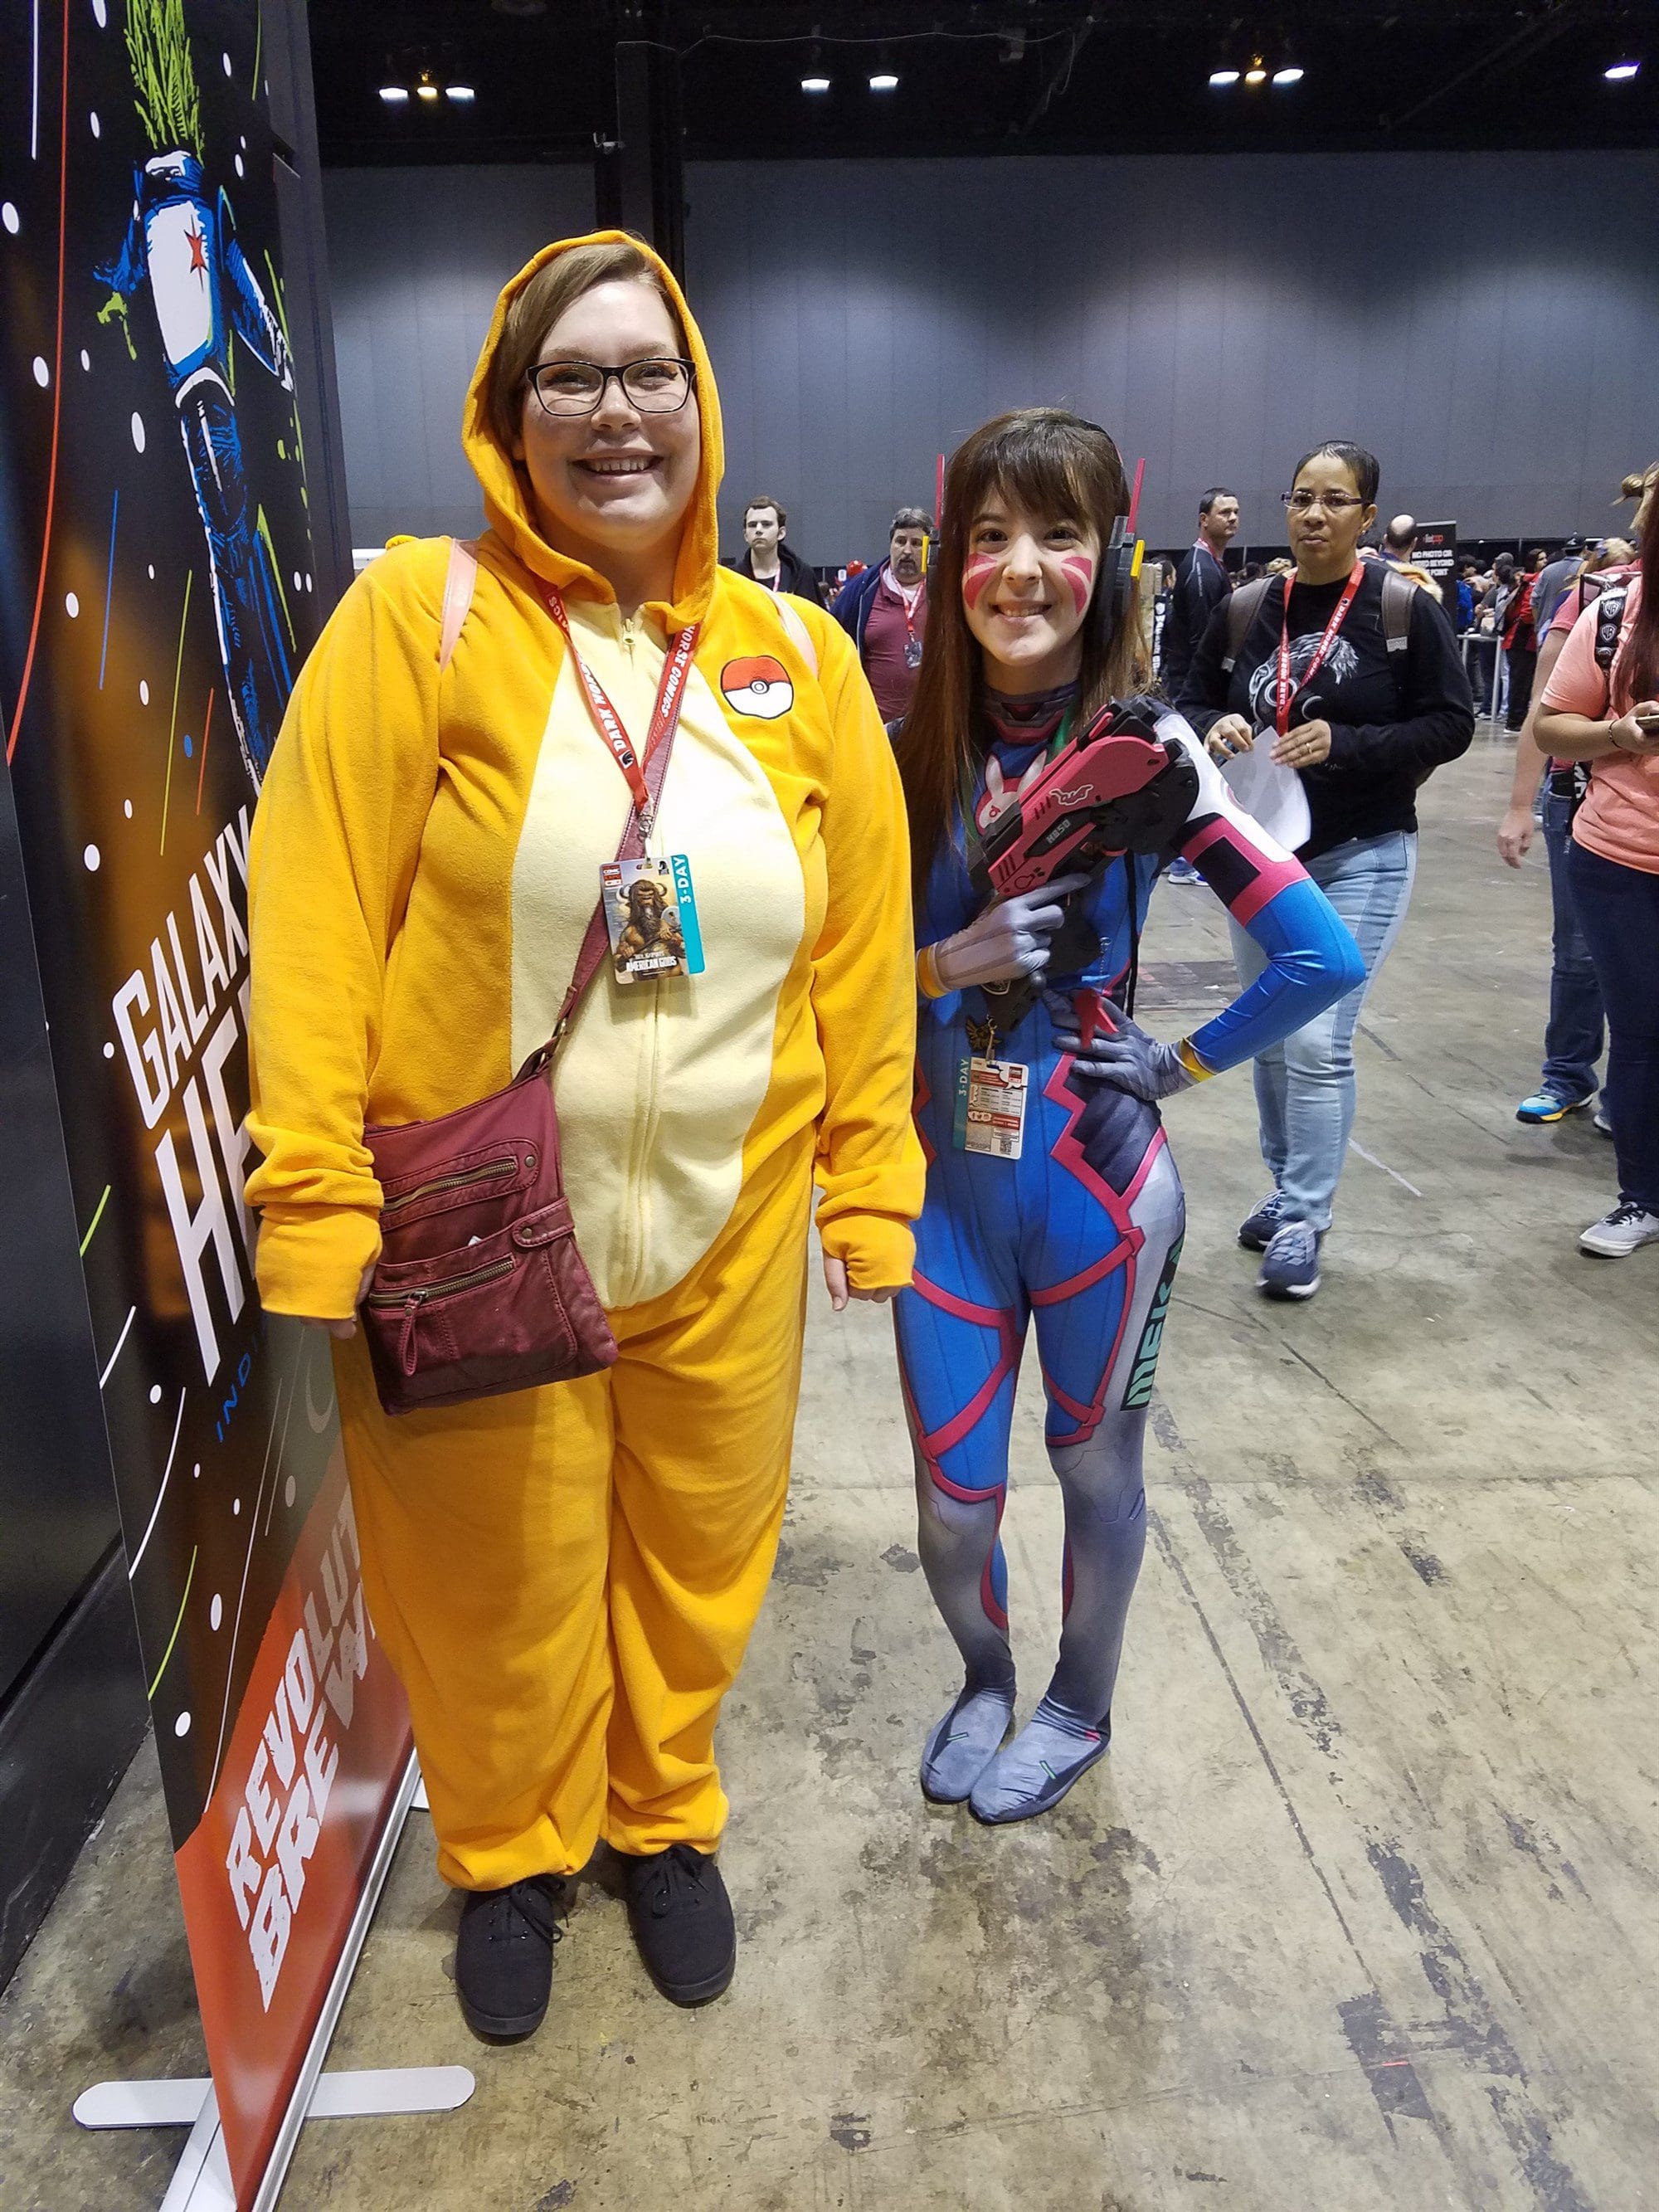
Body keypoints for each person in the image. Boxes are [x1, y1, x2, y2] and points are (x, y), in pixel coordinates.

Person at [246, 233, 924, 2037]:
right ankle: (508, 1851)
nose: (616, 414)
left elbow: (863, 945)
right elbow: (311, 921)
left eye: (649, 374)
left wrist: (871, 1176)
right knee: (494, 1576)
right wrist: (312, 1200)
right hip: (474, 1225)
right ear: (508, 412)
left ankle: (661, 1816)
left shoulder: (798, 658)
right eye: (571, 377)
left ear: (702, 402)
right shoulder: (421, 618)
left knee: (700, 1548)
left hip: (729, 1217)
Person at [892, 408, 1362, 1824]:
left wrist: (1177, 1065)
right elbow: (818, 976)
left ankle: (1077, 1704)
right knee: (949, 1502)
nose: (1021, 568)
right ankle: (986, 1678)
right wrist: (939, 966)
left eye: (1058, 533)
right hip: (938, 1187)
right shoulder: (903, 750)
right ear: (951, 559)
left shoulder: (1151, 751)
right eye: (989, 536)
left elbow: (1318, 955)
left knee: (1095, 1465)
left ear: (1111, 551)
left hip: (1099, 1184)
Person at [1176, 440, 1475, 1297]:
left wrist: (1346, 742)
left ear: (1366, 515)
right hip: (1258, 861)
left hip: (1362, 851)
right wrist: (1212, 726)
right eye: (1301, 498)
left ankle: (1305, 1216)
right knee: (1270, 1033)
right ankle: (1285, 1187)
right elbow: (1187, 697)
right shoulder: (1244, 608)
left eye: (1334, 501)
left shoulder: (1400, 606)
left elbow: (1451, 724)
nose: (1313, 514)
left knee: (1315, 1038)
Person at [1535, 485, 1659, 1259]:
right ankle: (1643, 1197)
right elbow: (1551, 726)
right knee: (1642, 1033)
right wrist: (1621, 732)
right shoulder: (1616, 614)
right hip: (1621, 859)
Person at [1497, 528, 1647, 1127]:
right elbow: (1546, 710)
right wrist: (1519, 805)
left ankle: (1630, 1099)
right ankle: (1568, 1075)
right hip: (1585, 801)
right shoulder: (1601, 603)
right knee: (1581, 955)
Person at [830, 507, 933, 723]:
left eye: (916, 543)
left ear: (928, 549)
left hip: (934, 727)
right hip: (876, 728)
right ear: (890, 545)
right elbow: (832, 645)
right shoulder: (861, 591)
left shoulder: (946, 590)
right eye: (900, 542)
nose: (907, 550)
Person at [1157, 485, 1238, 694]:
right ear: (1204, 519)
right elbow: (1202, 640)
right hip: (1190, 687)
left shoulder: (1209, 562)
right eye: (1224, 512)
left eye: (1235, 512)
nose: (1233, 518)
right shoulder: (1202, 568)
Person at [726, 493, 826, 607]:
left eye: (766, 524)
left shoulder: (802, 575)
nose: (758, 530)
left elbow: (817, 617)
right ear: (745, 535)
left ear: (781, 533)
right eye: (752, 525)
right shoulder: (732, 579)